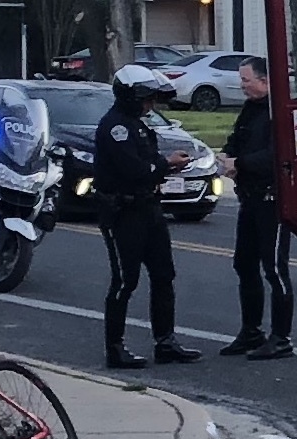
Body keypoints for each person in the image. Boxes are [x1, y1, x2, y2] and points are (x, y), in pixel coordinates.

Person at [95, 64, 203, 369]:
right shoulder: (115, 127)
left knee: (163, 275)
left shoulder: (139, 126)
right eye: (146, 98)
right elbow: (135, 169)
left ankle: (165, 341)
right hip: (122, 212)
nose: (150, 104)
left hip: (149, 209)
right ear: (129, 96)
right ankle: (115, 348)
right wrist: (166, 165)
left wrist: (164, 163)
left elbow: (150, 158)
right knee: (125, 281)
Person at [217, 56, 294, 360]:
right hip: (248, 198)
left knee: (275, 269)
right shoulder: (251, 109)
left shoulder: (279, 113)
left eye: (246, 80)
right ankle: (251, 331)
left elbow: (276, 155)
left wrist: (242, 164)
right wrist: (228, 156)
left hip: (271, 200)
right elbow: (238, 139)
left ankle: (281, 338)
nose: (242, 85)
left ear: (265, 81)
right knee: (243, 264)